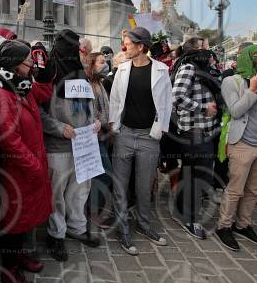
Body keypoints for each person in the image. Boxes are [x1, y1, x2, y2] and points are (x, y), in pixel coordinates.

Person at [0, 40, 53, 283]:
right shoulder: (1, 93)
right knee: (13, 224)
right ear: (15, 65)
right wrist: (34, 165)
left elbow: (45, 92)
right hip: (16, 171)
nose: (31, 66)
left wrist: (44, 68)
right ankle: (9, 270)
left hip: (29, 167)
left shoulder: (22, 86)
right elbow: (10, 141)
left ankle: (20, 257)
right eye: (28, 62)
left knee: (25, 220)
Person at [109, 27, 173, 255]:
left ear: (141, 46)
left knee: (145, 186)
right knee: (120, 185)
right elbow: (115, 100)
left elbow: (166, 103)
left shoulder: (161, 70)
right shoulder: (121, 69)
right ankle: (122, 228)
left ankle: (145, 225)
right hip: (124, 134)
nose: (124, 47)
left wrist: (159, 130)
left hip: (149, 137)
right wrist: (113, 126)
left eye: (128, 43)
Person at [215, 45, 257, 252]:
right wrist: (253, 90)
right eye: (255, 57)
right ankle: (223, 226)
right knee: (235, 189)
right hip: (242, 143)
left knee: (254, 190)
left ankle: (243, 225)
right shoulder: (231, 81)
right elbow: (235, 111)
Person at [41, 29, 101, 262]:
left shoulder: (81, 74)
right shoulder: (48, 73)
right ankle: (56, 235)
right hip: (58, 146)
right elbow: (38, 110)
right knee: (56, 192)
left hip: (84, 144)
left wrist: (94, 121)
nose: (74, 52)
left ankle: (77, 227)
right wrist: (58, 128)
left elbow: (88, 104)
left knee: (80, 189)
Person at [171, 37, 222, 240]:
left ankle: (181, 212)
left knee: (190, 175)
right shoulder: (189, 67)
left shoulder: (204, 69)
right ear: (194, 50)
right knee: (198, 177)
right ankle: (190, 218)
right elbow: (177, 97)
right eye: (204, 46)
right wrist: (203, 108)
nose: (208, 50)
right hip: (194, 132)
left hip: (205, 131)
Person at [85, 52, 114, 228]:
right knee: (104, 174)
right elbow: (90, 111)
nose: (106, 65)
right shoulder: (87, 84)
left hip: (103, 135)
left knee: (100, 174)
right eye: (102, 62)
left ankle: (96, 209)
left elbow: (106, 107)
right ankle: (93, 211)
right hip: (93, 136)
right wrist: (105, 123)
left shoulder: (99, 83)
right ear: (92, 64)